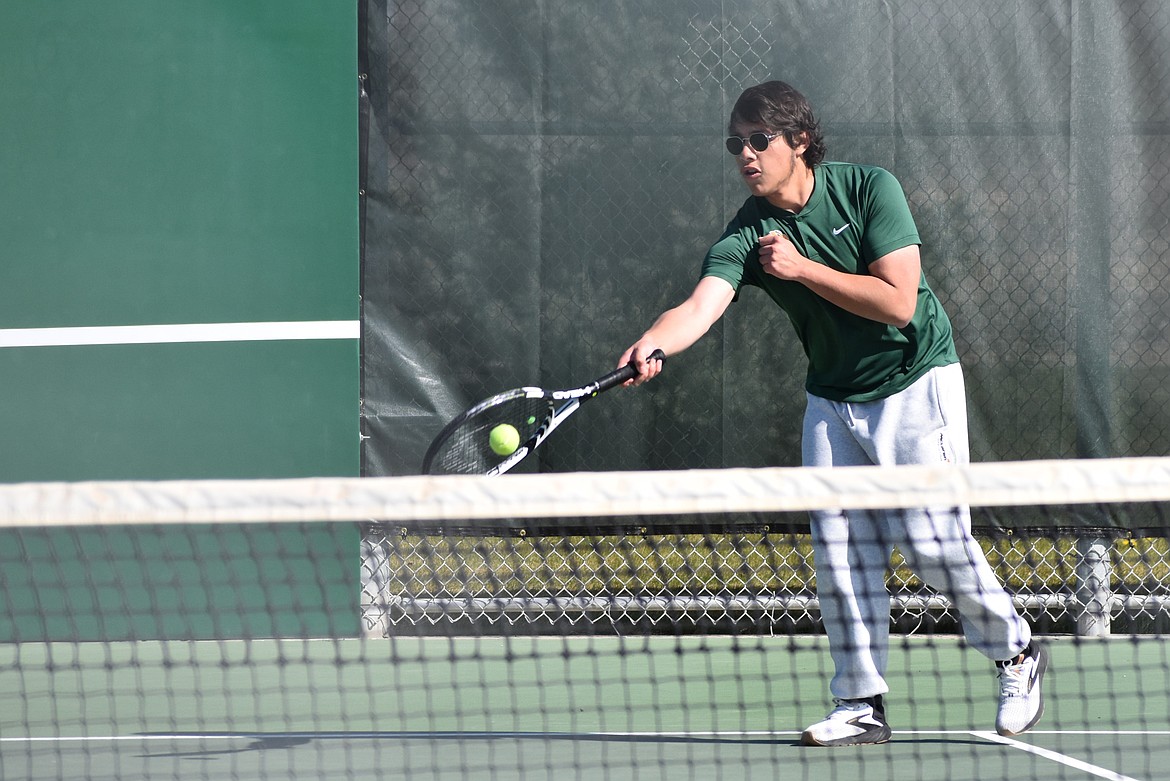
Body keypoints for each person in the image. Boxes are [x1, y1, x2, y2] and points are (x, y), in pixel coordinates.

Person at [618, 80, 1047, 747]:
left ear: (799, 141)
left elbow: (899, 301)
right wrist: (654, 341)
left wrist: (801, 269)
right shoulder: (747, 231)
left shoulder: (871, 188)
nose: (746, 154)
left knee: (933, 543)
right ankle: (859, 700)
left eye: (759, 140)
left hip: (915, 380)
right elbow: (701, 304)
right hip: (832, 399)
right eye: (736, 144)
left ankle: (1016, 652)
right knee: (841, 553)